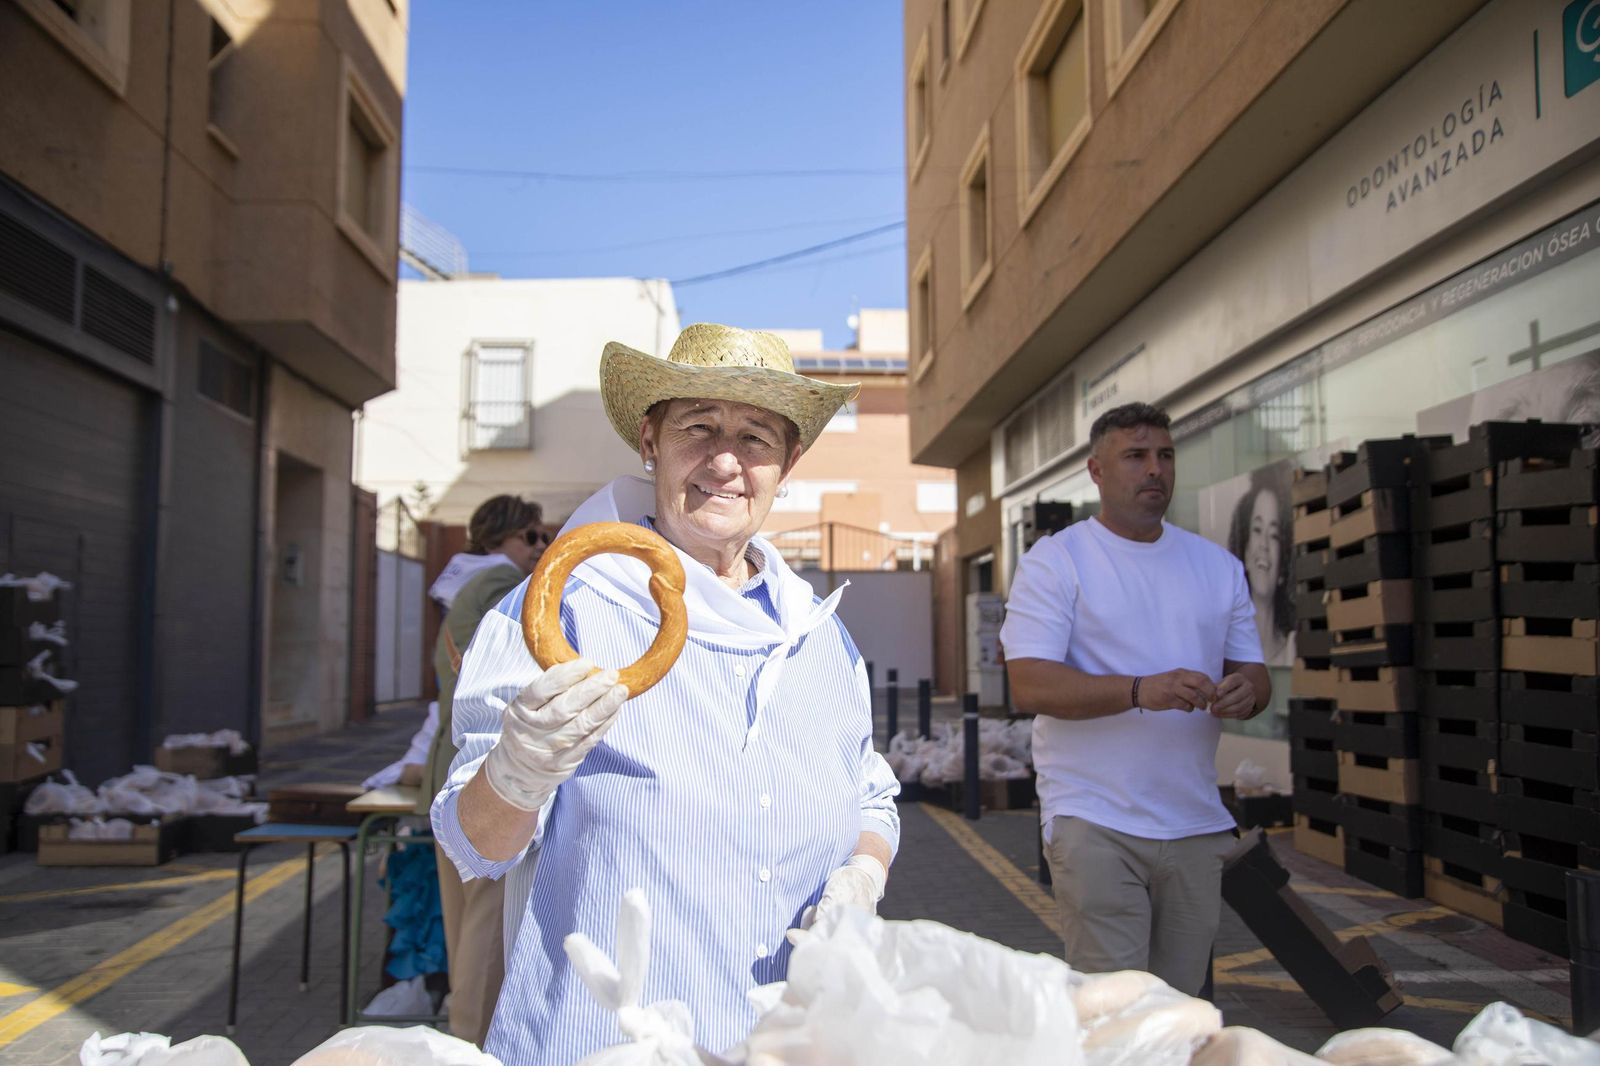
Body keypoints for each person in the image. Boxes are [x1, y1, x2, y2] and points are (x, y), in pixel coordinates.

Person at [430, 323, 900, 1064]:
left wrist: (863, 872)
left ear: (790, 462)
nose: (725, 461)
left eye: (756, 437)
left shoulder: (821, 635)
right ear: (650, 441)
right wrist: (515, 774)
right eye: (699, 428)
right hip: (606, 1045)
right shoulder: (562, 609)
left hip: (792, 1042)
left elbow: (871, 794)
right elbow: (470, 845)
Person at [1000, 401, 1270, 996]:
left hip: (1195, 821)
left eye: (1165, 456)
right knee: (1117, 1013)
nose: (1155, 470)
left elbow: (1255, 673)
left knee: (1180, 1012)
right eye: (1136, 456)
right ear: (1097, 471)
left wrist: (1243, 692)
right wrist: (1141, 690)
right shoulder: (1058, 560)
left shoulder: (1217, 566)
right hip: (1095, 818)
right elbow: (1030, 683)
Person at [420, 494, 549, 1048]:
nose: (540, 549)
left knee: (465, 918)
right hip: (489, 769)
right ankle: (474, 1045)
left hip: (448, 762)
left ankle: (463, 1038)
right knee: (487, 925)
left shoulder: (461, 589)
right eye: (532, 537)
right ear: (504, 538)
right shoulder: (501, 586)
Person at [1226, 466, 1294, 667]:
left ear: (1283, 564)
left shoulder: (1292, 650)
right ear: (1245, 551)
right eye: (1257, 530)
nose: (1264, 544)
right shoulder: (1223, 652)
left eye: (1274, 535)